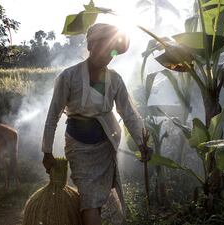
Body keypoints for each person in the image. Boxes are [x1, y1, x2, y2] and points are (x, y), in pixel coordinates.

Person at [41, 23, 152, 225]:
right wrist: (47, 151)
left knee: (97, 199)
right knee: (90, 198)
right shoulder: (68, 77)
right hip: (78, 147)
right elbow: (52, 116)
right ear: (90, 46)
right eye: (103, 48)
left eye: (112, 51)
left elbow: (129, 114)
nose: (107, 55)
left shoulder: (116, 80)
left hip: (106, 145)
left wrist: (142, 142)